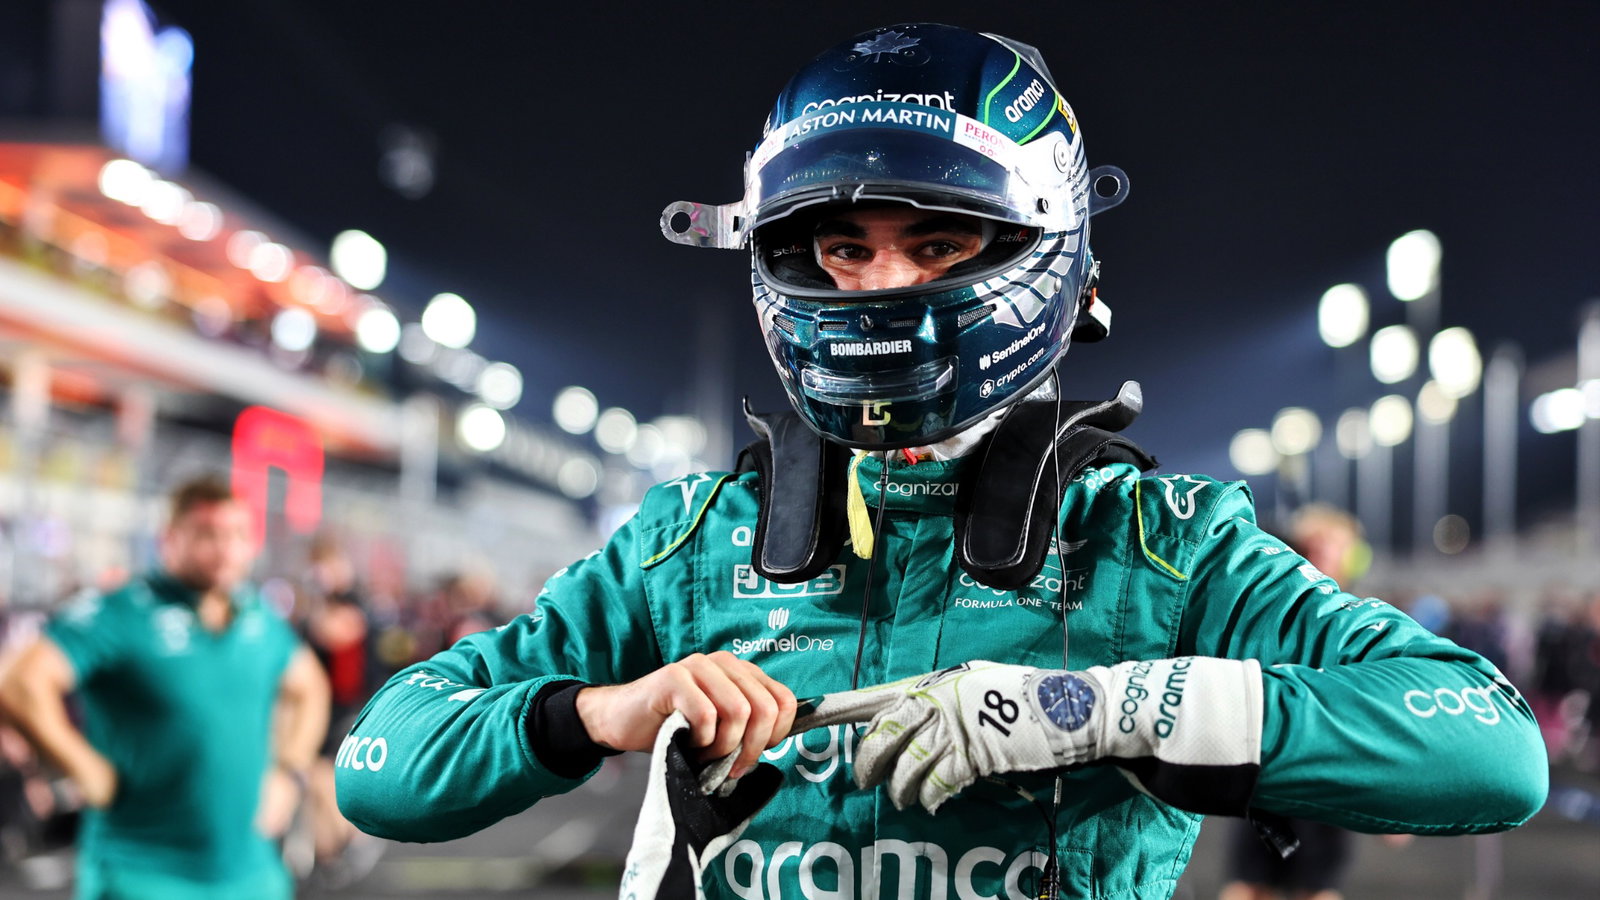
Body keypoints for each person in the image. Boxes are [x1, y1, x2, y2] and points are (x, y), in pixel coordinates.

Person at [335, 23, 1547, 900]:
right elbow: (384, 767)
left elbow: (1488, 750)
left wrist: (1089, 705)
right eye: (839, 249)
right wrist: (609, 709)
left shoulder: (1161, 544)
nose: (883, 285)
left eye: (936, 239)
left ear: (1051, 256)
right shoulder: (685, 542)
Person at [0, 475, 329, 899]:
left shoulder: (258, 618)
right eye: (208, 534)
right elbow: (21, 686)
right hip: (143, 874)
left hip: (251, 873)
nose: (227, 549)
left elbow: (310, 689)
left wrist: (288, 772)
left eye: (238, 535)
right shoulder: (120, 611)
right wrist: (80, 767)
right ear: (169, 539)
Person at [1218, 504, 1400, 900]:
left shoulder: (1365, 622)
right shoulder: (1266, 611)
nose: (1324, 556)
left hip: (1326, 777)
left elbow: (1377, 710)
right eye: (1315, 546)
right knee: (1248, 885)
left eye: (1335, 546)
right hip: (1265, 771)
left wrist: (1394, 799)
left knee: (1317, 889)